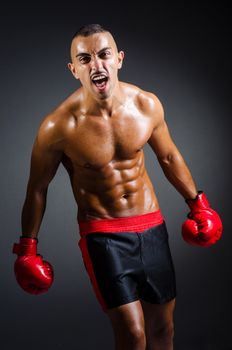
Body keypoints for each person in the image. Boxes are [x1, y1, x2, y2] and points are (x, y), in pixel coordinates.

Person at [12, 24, 223, 350]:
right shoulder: (58, 126)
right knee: (133, 333)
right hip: (104, 236)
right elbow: (37, 188)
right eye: (85, 59)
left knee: (163, 330)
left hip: (151, 227)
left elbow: (168, 156)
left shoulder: (146, 105)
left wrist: (198, 204)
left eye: (103, 55)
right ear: (74, 69)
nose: (96, 65)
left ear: (119, 59)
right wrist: (27, 248)